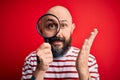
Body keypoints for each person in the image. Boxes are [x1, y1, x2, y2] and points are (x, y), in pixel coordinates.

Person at [22, 6, 100, 80]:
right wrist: (40, 69)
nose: (58, 33)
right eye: (51, 26)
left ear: (71, 29)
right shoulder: (31, 60)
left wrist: (83, 70)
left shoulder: (88, 60)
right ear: (41, 29)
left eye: (63, 25)